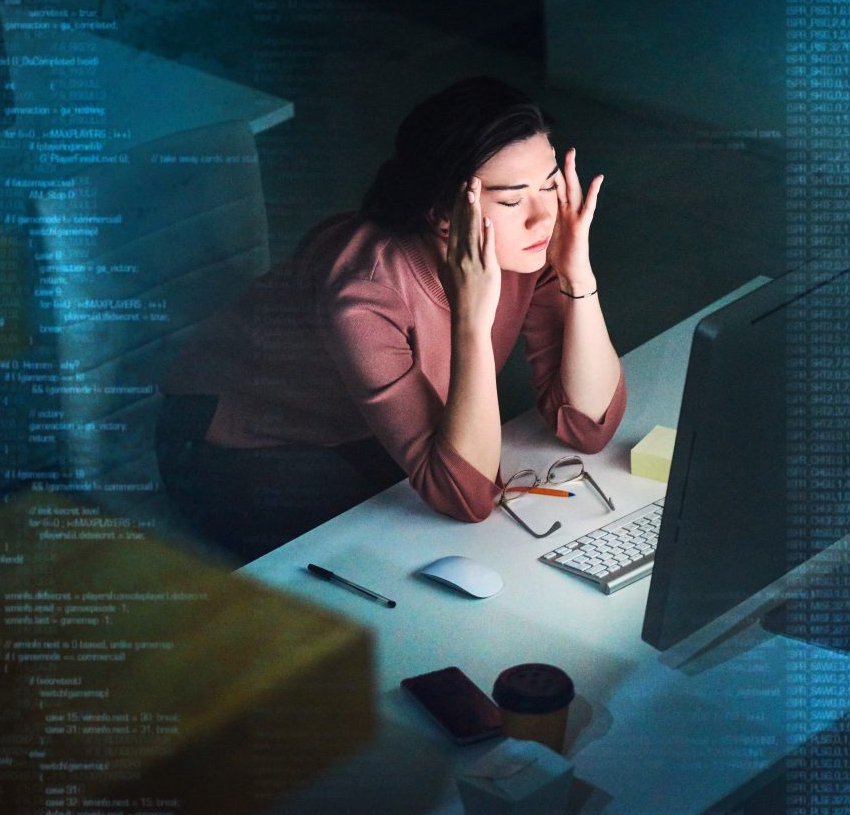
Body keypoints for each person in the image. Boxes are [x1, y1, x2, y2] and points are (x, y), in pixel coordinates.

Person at [155, 76, 627, 564]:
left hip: (358, 425)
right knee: (391, 554)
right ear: (445, 214)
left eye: (551, 186)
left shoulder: (531, 249)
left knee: (454, 521)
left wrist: (577, 273)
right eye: (511, 201)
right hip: (235, 439)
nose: (543, 218)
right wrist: (471, 317)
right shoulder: (363, 287)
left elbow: (588, 428)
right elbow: (467, 497)